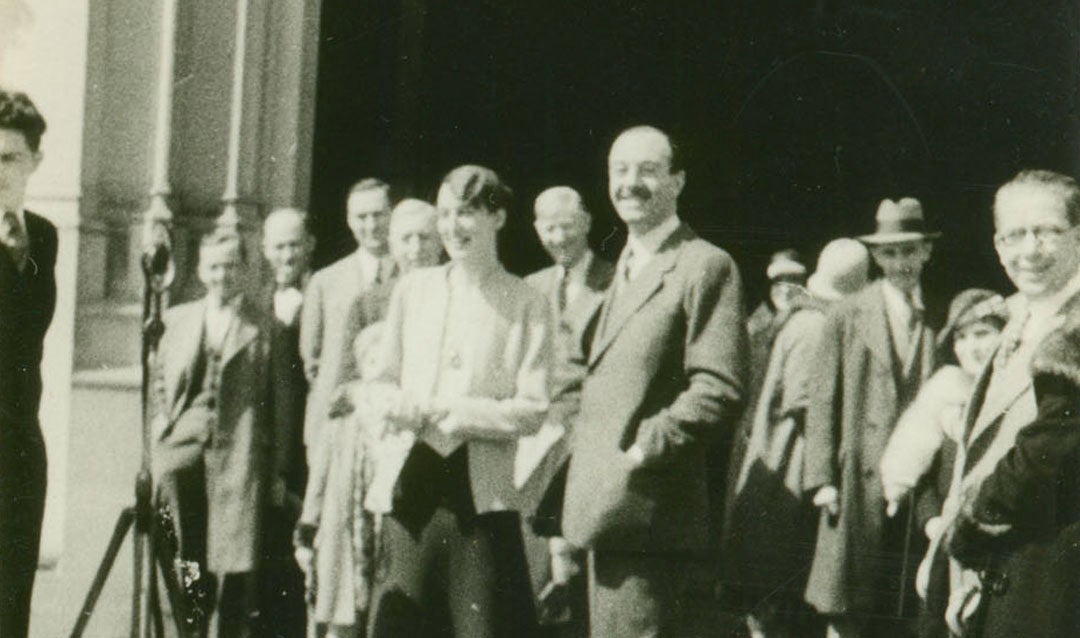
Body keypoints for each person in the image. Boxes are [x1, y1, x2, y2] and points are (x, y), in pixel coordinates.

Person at [561, 125, 747, 637]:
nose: (630, 183)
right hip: (601, 513)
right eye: (619, 171)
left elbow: (719, 387)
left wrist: (642, 451)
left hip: (651, 517)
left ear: (678, 181)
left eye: (647, 170)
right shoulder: (616, 270)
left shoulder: (704, 266)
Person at [365, 165, 553, 638]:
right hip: (411, 495)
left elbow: (533, 409)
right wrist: (396, 404)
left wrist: (462, 413)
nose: (452, 226)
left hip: (480, 503)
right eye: (445, 214)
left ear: (499, 217)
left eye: (467, 213)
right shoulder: (414, 290)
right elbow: (379, 381)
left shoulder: (526, 300)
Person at [934, 170, 1080, 638]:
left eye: (1047, 231)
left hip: (1051, 573)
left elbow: (1046, 453)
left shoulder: (1074, 329)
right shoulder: (1016, 318)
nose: (1029, 250)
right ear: (997, 245)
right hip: (997, 566)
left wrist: (969, 531)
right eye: (1013, 235)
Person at [803, 197, 941, 638]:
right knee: (847, 604)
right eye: (890, 252)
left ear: (926, 252)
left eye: (910, 250)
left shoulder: (938, 314)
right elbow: (823, 398)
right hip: (854, 478)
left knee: (900, 598)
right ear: (877, 257)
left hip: (914, 481)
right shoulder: (848, 313)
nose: (901, 262)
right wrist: (822, 477)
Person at [723, 237, 870, 638]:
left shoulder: (802, 319)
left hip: (784, 474)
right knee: (782, 603)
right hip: (789, 477)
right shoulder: (814, 326)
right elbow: (806, 407)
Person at [152, 229, 269, 637]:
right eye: (215, 267)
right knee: (184, 556)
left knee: (229, 562)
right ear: (202, 271)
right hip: (183, 449)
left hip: (238, 455)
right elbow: (162, 379)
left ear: (245, 269)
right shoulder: (180, 317)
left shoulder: (263, 322)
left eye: (231, 266)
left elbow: (276, 399)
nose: (223, 275)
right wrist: (162, 424)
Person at [520, 186, 615, 637]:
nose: (559, 237)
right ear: (538, 230)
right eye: (550, 228)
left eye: (568, 225)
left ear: (588, 223)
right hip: (535, 438)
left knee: (576, 565)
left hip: (587, 437)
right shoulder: (530, 288)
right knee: (534, 563)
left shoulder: (615, 283)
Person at [878, 290, 1007, 575]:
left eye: (982, 333)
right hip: (946, 541)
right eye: (961, 337)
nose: (970, 347)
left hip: (1001, 546)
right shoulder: (945, 396)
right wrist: (931, 520)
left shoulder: (1015, 397)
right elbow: (923, 469)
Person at [0, 87, 57, 638]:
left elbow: (27, 333)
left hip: (17, 456)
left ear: (34, 162)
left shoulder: (42, 237)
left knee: (12, 606)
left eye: (8, 158)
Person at [295, 322, 389, 638]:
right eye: (371, 359)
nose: (378, 366)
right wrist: (307, 528)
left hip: (384, 529)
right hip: (344, 527)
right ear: (360, 365)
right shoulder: (341, 417)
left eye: (385, 358)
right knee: (341, 613)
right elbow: (319, 479)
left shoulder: (400, 416)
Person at [301, 178, 396, 458]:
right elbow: (313, 360)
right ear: (349, 221)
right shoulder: (325, 281)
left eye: (378, 214)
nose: (371, 225)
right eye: (361, 217)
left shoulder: (413, 277)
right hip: (336, 420)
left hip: (390, 423)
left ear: (391, 214)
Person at [255, 207, 315, 637]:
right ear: (265, 250)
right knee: (267, 563)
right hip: (268, 452)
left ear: (309, 246)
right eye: (279, 246)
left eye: (294, 244)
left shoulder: (325, 293)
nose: (287, 254)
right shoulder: (254, 303)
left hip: (310, 450)